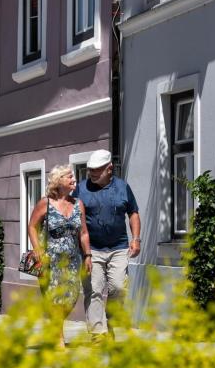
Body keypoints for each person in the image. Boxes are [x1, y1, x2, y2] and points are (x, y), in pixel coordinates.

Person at [73, 149, 140, 341]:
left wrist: (136, 239)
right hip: (91, 250)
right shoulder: (81, 189)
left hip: (119, 247)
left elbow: (133, 213)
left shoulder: (122, 187)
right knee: (93, 290)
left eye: (97, 170)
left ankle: (110, 321)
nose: (92, 173)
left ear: (109, 169)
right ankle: (98, 334)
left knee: (119, 288)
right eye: (90, 170)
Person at [28, 165, 92, 348]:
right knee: (55, 298)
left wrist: (87, 255)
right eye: (69, 176)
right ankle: (59, 338)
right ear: (58, 181)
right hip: (50, 260)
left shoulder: (78, 204)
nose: (74, 179)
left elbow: (83, 233)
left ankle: (54, 326)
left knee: (71, 297)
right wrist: (37, 248)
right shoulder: (45, 203)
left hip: (72, 260)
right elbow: (32, 226)